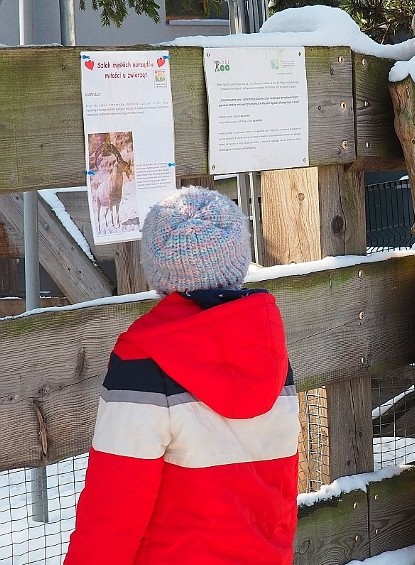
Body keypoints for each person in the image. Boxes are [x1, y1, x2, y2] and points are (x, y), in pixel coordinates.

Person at [65, 186, 300, 565]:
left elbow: (112, 512)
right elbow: (280, 484)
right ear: (237, 259)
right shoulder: (269, 352)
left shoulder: (144, 362)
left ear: (159, 268)